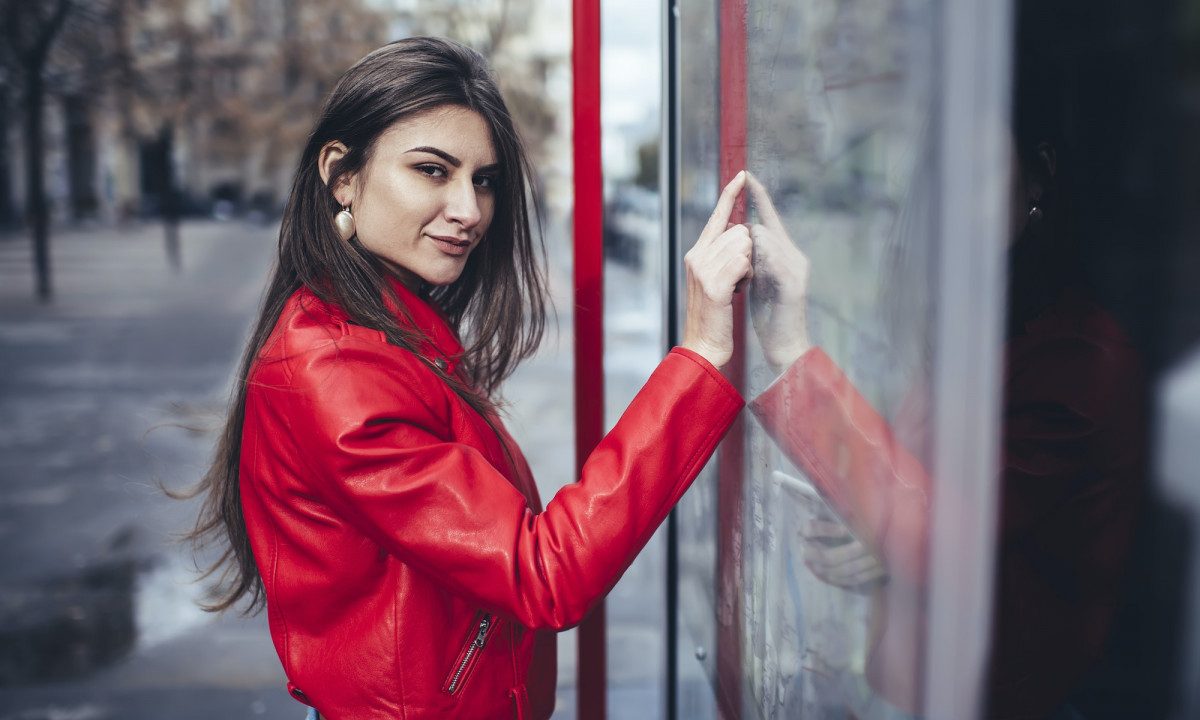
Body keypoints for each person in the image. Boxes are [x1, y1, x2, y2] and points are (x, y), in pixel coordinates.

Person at [183, 38, 753, 719]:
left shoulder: (382, 331)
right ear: (341, 174)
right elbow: (547, 571)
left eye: (482, 180)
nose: (469, 210)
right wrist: (699, 356)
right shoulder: (335, 371)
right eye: (432, 170)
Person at [745, 108, 1147, 719]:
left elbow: (947, 538)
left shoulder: (1082, 361)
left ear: (1038, 179)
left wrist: (794, 353)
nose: (956, 203)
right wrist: (874, 539)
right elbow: (923, 498)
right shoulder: (980, 325)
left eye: (979, 172)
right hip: (915, 680)